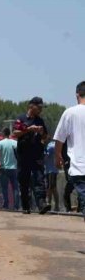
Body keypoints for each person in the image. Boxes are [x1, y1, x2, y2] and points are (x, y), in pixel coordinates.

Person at [53, 81, 85, 221]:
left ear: (77, 94)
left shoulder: (69, 113)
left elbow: (59, 139)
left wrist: (58, 156)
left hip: (79, 167)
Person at [13, 97, 50, 214]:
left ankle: (42, 204)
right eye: (39, 107)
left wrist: (42, 132)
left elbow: (46, 137)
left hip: (36, 154)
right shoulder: (21, 118)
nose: (40, 110)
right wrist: (29, 129)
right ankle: (26, 206)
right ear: (31, 106)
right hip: (23, 155)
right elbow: (15, 133)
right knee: (24, 180)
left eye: (41, 108)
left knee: (39, 178)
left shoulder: (40, 121)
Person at [0, 127, 20, 210]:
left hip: (4, 168)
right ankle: (16, 206)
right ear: (9, 133)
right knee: (15, 187)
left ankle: (6, 205)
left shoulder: (0, 143)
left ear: (3, 133)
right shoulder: (15, 143)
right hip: (14, 168)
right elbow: (20, 153)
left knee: (4, 188)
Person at [45, 140, 60, 211]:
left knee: (50, 188)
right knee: (53, 188)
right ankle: (55, 206)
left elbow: (45, 157)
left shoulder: (50, 146)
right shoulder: (52, 145)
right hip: (51, 170)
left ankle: (49, 204)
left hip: (51, 170)